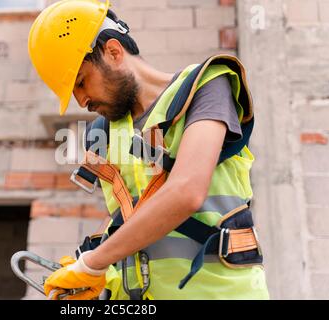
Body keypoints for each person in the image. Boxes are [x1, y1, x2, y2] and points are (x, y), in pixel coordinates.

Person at [28, 0, 269, 300]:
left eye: (81, 82)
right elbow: (127, 221)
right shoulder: (103, 133)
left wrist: (93, 263)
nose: (81, 101)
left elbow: (186, 191)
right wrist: (93, 272)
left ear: (113, 52)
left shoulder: (206, 86)